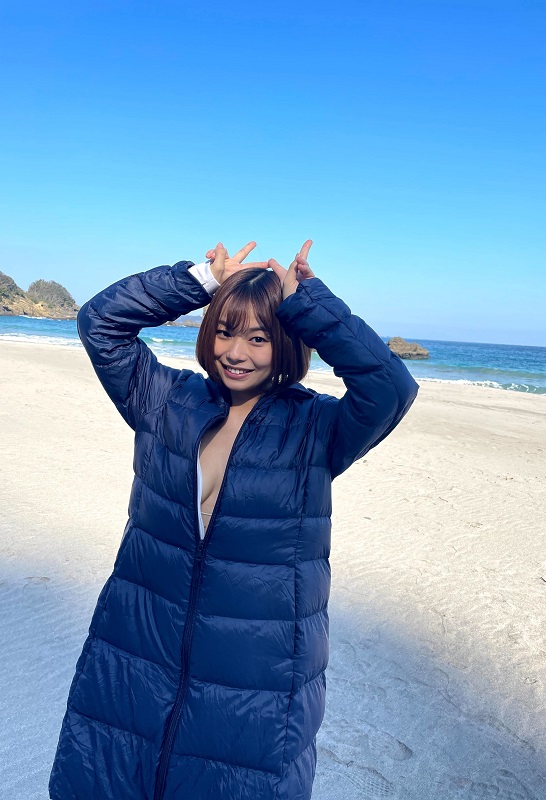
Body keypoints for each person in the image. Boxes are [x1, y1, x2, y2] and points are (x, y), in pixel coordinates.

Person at [49, 239, 419, 800]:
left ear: (286, 342)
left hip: (255, 683)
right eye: (225, 332)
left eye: (259, 338)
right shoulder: (165, 401)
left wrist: (309, 304)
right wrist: (198, 280)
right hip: (135, 653)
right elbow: (100, 322)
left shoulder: (316, 429)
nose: (236, 353)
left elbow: (390, 388)